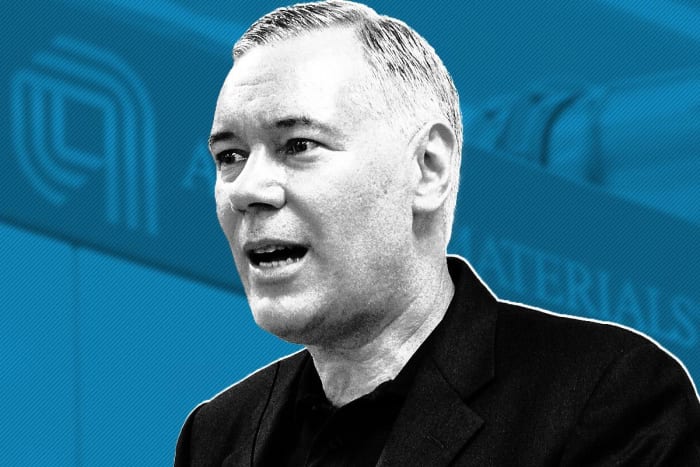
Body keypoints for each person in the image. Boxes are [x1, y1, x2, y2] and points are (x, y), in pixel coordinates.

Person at [175, 1, 700, 465]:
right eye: (230, 156)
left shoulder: (605, 397)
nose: (247, 190)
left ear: (428, 168)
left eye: (298, 145)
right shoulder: (217, 435)